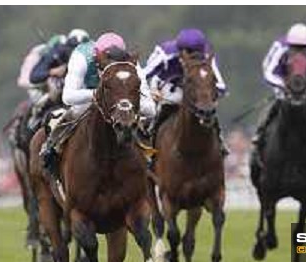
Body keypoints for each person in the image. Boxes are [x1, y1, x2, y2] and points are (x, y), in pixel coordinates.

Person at [40, 32, 155, 175]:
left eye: (117, 61)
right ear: (98, 56)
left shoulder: (129, 63)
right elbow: (68, 97)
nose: (112, 67)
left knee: (137, 122)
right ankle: (51, 150)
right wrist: (98, 95)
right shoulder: (81, 57)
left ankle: (150, 160)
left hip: (117, 102)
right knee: (72, 114)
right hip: (87, 96)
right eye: (108, 62)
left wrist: (129, 102)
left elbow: (151, 109)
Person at [253, 23, 306, 152]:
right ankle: (261, 132)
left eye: (303, 47)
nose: (299, 49)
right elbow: (268, 71)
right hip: (284, 84)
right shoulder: (280, 48)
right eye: (295, 46)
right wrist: (282, 84)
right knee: (277, 104)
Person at [143, 28, 228, 153]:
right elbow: (143, 74)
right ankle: (150, 138)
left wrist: (209, 94)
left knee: (206, 107)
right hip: (164, 84)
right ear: (182, 51)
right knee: (168, 104)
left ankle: (219, 142)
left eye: (199, 53)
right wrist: (149, 93)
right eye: (192, 54)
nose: (197, 58)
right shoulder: (165, 53)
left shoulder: (207, 56)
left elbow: (221, 86)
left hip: (192, 88)